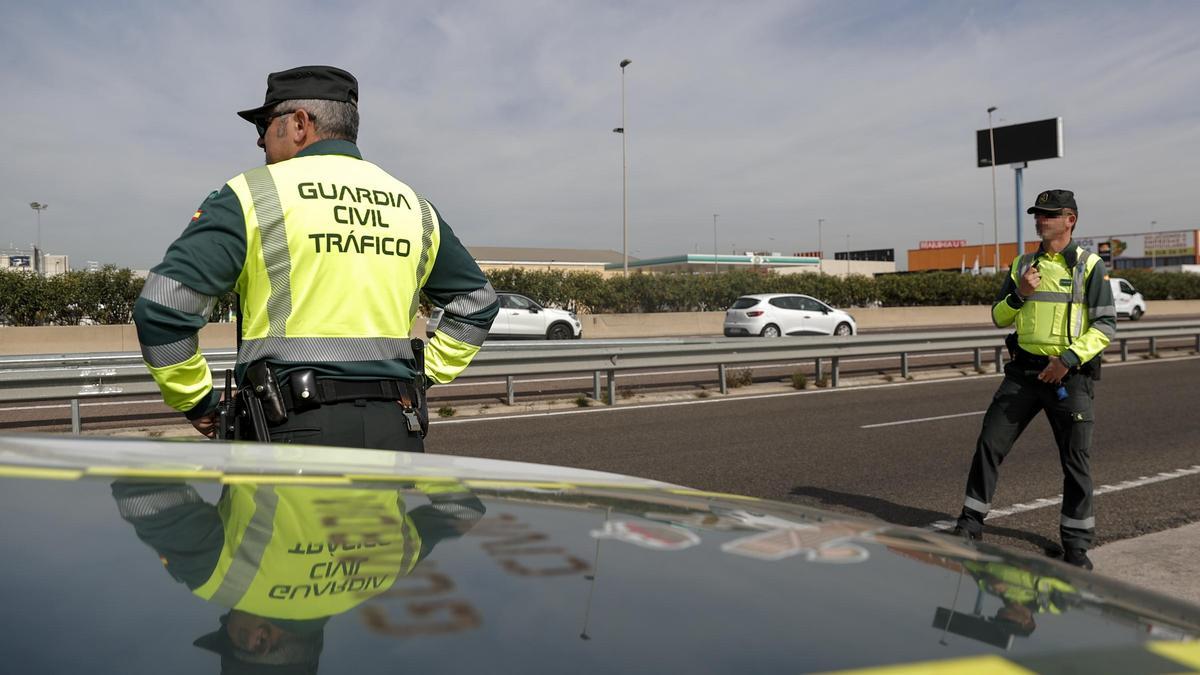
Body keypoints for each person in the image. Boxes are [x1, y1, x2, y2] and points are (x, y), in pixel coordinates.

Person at [133, 66, 498, 451]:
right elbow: (477, 305)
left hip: (290, 430)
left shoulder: (251, 195)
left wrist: (197, 401)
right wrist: (419, 377)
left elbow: (163, 307)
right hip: (398, 428)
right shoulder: (414, 207)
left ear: (299, 124)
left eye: (264, 125)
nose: (259, 143)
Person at [952, 189, 1116, 570]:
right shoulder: (1022, 264)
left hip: (1068, 377)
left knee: (1075, 462)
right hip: (1023, 374)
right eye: (1037, 214)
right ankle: (970, 523)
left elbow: (1107, 325)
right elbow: (999, 317)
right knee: (989, 444)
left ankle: (1076, 546)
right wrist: (1020, 294)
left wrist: (1069, 359)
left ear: (1070, 219)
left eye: (1049, 215)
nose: (1040, 220)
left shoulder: (1090, 266)